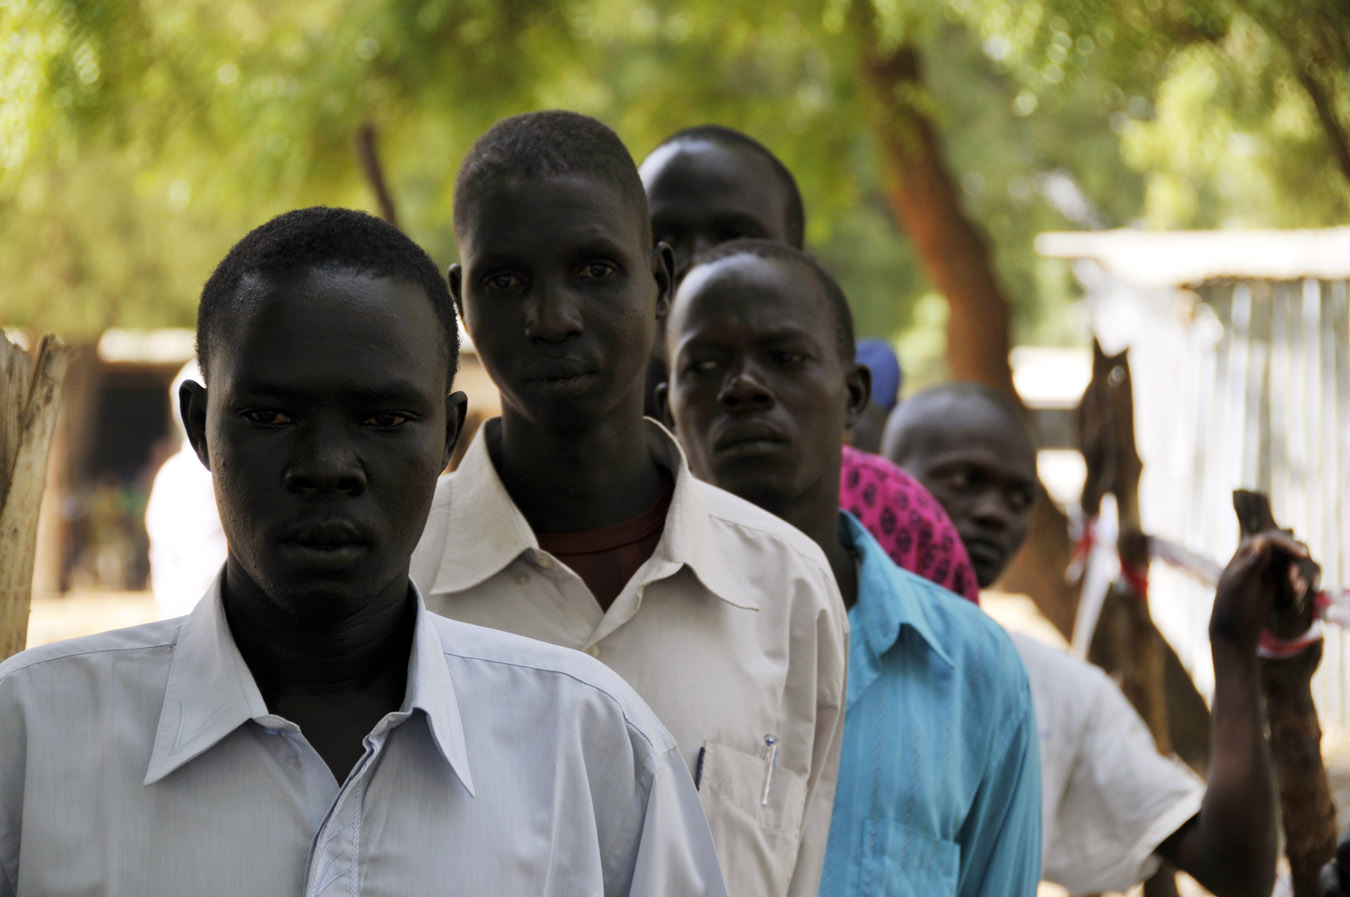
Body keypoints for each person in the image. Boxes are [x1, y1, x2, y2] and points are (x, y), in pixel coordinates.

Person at [0, 207, 728, 897]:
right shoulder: (31, 738)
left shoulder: (591, 745)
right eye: (271, 416)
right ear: (200, 429)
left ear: (447, 436)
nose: (327, 465)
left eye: (382, 418)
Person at [410, 111, 846, 897]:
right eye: (506, 280)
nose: (552, 317)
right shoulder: (399, 578)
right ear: (459, 302)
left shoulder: (788, 587)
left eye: (595, 270)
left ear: (661, 279)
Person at [661, 239, 1042, 895]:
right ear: (670, 401)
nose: (745, 385)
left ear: (854, 395)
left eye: (785, 358)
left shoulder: (972, 669)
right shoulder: (625, 638)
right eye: (706, 363)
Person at [885, 383, 1281, 897]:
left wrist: (1232, 647)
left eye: (1019, 497)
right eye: (967, 479)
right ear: (879, 473)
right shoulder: (802, 642)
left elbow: (1234, 869)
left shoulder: (1050, 689)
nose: (995, 513)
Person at [639, 124, 980, 603]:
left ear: (799, 266)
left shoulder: (895, 513)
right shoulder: (575, 498)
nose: (695, 265)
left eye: (735, 237)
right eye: (664, 241)